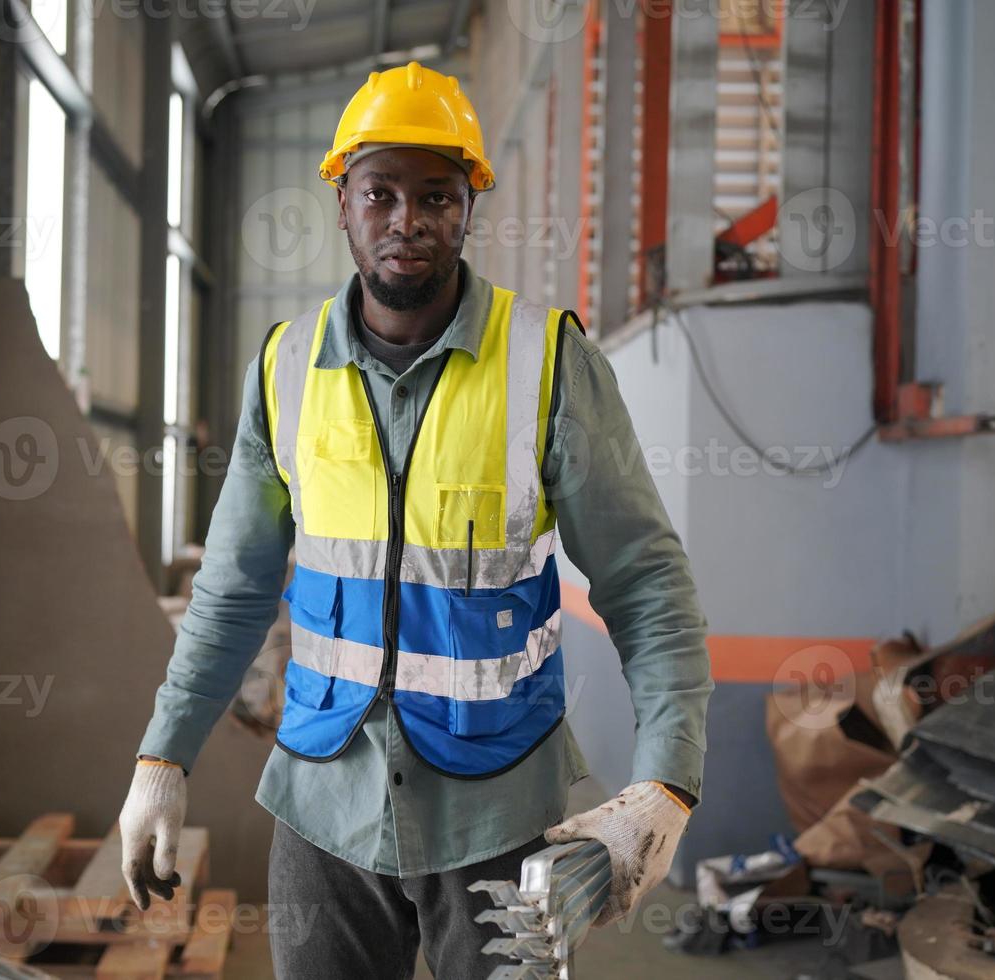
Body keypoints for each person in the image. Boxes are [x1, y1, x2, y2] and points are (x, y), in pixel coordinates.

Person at [115, 61, 713, 978]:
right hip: (324, 811)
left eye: (435, 195)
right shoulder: (283, 372)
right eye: (380, 192)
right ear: (343, 203)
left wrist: (665, 780)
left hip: (502, 818)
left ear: (469, 205)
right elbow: (232, 590)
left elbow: (645, 582)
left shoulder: (547, 364)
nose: (407, 220)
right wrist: (163, 758)